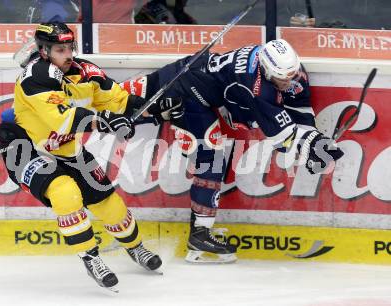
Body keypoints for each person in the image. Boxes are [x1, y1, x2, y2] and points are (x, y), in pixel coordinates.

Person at [120, 39, 344, 263]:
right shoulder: (254, 86)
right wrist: (314, 147)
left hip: (198, 83)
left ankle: (200, 231)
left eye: (291, 76)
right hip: (187, 92)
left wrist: (314, 140)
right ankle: (200, 235)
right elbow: (282, 136)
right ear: (265, 69)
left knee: (208, 155)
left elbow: (298, 109)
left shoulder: (288, 71)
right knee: (208, 157)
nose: (287, 83)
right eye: (280, 79)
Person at [0, 22, 183, 290]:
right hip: (26, 148)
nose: (68, 54)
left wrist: (153, 108)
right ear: (45, 51)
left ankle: (135, 247)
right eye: (60, 50)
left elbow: (116, 100)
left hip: (67, 148)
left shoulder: (86, 72)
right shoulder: (35, 76)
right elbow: (63, 120)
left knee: (108, 202)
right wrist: (105, 121)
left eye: (70, 47)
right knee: (65, 192)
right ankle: (90, 257)